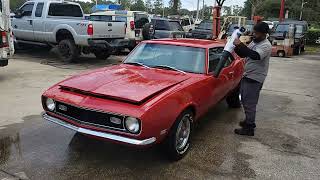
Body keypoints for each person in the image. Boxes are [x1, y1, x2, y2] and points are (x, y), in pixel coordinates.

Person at [233, 22, 272, 136]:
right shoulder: (255, 41)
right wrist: (236, 46)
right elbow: (244, 54)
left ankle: (249, 128)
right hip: (248, 74)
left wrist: (240, 45)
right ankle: (248, 121)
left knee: (250, 102)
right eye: (254, 32)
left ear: (264, 34)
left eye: (257, 33)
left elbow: (255, 55)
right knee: (245, 99)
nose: (254, 34)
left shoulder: (266, 45)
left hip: (255, 77)